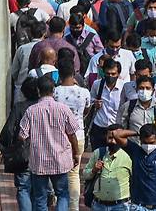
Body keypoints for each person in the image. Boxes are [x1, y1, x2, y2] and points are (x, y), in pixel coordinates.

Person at [18, 76, 79, 211]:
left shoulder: (31, 111)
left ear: (38, 91)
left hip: (39, 161)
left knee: (40, 197)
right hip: (60, 160)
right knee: (62, 194)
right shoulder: (63, 109)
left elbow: (22, 136)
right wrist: (76, 153)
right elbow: (72, 134)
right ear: (53, 90)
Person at [53, 61, 90, 211]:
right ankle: (73, 207)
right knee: (74, 174)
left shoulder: (55, 92)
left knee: (58, 172)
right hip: (79, 135)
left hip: (58, 137)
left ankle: (59, 204)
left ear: (59, 75)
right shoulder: (84, 92)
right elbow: (86, 111)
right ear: (74, 74)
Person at [0, 78, 40, 211]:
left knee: (23, 188)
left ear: (23, 92)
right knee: (39, 190)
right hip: (44, 155)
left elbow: (9, 130)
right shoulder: (45, 107)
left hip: (24, 155)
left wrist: (5, 148)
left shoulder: (19, 107)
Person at [82, 124, 132, 211]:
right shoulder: (98, 153)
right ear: (106, 138)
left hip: (121, 206)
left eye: (116, 138)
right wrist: (94, 170)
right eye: (110, 138)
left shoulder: (129, 156)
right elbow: (85, 175)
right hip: (98, 205)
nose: (113, 141)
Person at [89, 58, 124, 150]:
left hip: (116, 129)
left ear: (118, 74)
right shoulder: (97, 85)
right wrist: (94, 104)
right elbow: (90, 101)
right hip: (99, 128)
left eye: (113, 74)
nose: (110, 76)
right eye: (108, 73)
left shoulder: (123, 87)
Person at [115, 75, 156, 144]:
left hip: (154, 147)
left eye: (148, 88)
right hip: (133, 146)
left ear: (153, 91)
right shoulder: (127, 106)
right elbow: (120, 127)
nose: (144, 91)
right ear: (136, 89)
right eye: (141, 88)